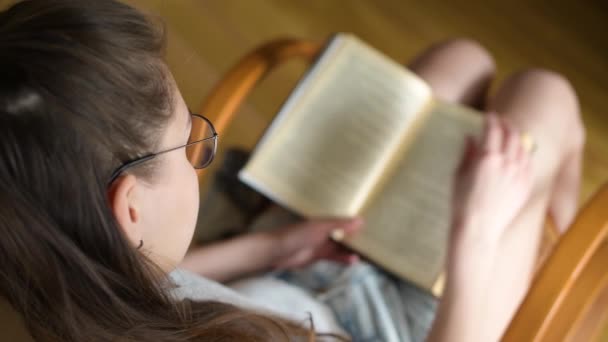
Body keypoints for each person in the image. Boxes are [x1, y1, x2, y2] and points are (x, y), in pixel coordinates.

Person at [0, 0, 584, 341]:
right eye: (191, 145)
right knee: (545, 99)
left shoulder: (64, 279)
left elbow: (154, 285)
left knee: (456, 63)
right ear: (129, 209)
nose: (200, 152)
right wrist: (475, 232)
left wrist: (269, 248)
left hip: (284, 276)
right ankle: (561, 289)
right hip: (401, 326)